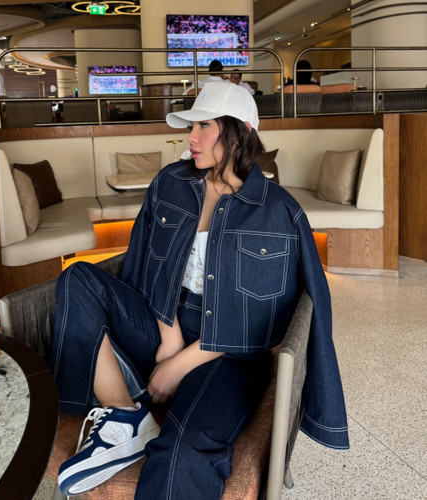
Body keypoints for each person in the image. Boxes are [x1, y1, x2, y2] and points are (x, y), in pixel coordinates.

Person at [50, 81, 349, 499]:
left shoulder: (278, 212)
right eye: (191, 126)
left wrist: (179, 364)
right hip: (163, 318)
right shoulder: (171, 183)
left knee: (184, 455)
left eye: (204, 125)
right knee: (78, 278)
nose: (190, 137)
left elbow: (265, 324)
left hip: (226, 351)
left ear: (240, 133)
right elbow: (147, 263)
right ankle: (125, 416)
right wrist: (168, 331)